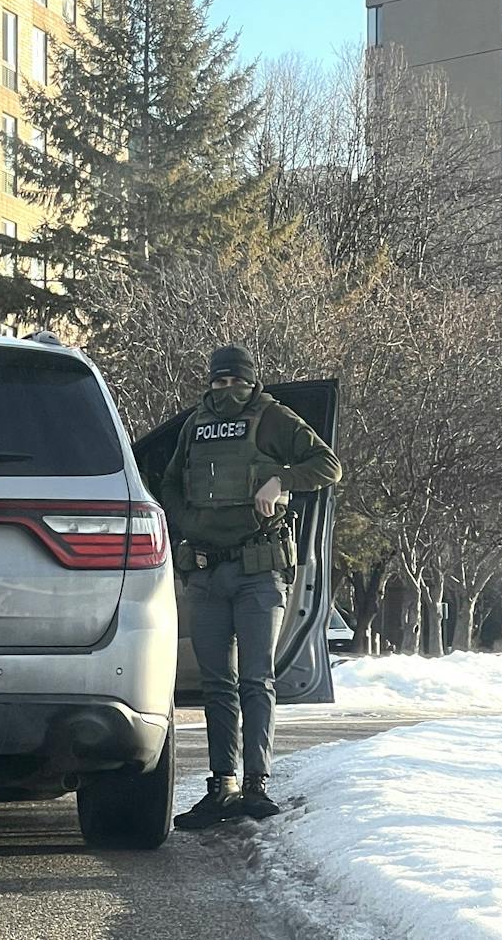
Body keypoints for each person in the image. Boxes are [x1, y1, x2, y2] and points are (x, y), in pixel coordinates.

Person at [162, 345, 342, 830]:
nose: (225, 391)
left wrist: (281, 479)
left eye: (233, 382)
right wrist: (187, 524)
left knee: (256, 680)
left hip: (257, 570)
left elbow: (328, 466)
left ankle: (256, 785)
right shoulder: (195, 425)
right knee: (216, 684)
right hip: (205, 571)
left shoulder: (272, 418)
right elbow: (171, 484)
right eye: (217, 383)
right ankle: (222, 786)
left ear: (250, 381)